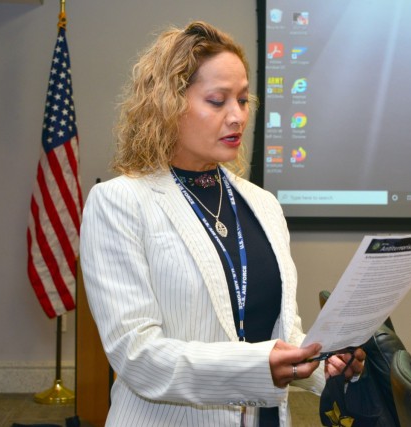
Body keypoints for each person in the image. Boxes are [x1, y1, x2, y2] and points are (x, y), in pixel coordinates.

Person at [79, 21, 365, 427]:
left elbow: (282, 332)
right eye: (217, 101)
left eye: (244, 100)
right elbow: (138, 356)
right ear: (167, 103)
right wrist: (258, 365)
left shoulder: (262, 205)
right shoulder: (121, 202)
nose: (237, 117)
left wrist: (323, 362)